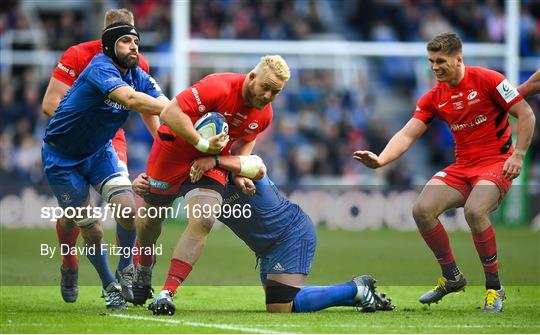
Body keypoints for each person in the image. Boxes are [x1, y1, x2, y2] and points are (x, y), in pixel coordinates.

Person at [353, 32, 535, 313]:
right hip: (463, 167)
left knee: (475, 211)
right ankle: (452, 277)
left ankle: (494, 288)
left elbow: (526, 114)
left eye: (440, 61)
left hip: (496, 163)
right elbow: (407, 135)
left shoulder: (489, 79)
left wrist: (519, 155)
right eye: (431, 61)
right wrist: (381, 160)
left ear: (458, 59)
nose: (435, 67)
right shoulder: (434, 97)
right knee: (422, 210)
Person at [131, 155, 394, 315]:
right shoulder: (195, 176)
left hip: (290, 234)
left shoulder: (237, 164)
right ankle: (359, 293)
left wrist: (222, 164)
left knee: (280, 306)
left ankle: (355, 288)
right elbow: (162, 191)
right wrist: (143, 183)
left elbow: (257, 165)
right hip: (267, 248)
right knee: (286, 301)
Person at [132, 56, 290, 307]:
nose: (269, 96)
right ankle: (144, 263)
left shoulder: (265, 114)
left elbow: (249, 136)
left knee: (205, 218)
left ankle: (167, 293)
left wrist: (238, 171)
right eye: (266, 87)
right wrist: (201, 143)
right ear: (251, 77)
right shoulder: (218, 86)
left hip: (212, 160)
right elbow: (170, 112)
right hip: (173, 151)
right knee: (150, 221)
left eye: (276, 92)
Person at [42, 21, 168, 309]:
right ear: (109, 46)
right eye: (125, 41)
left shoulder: (138, 73)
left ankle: (126, 270)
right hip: (62, 159)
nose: (134, 46)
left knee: (127, 208)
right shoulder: (99, 66)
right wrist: (176, 109)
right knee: (93, 228)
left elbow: (160, 100)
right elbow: (131, 99)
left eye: (136, 41)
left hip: (100, 150)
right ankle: (108, 284)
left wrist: (185, 114)